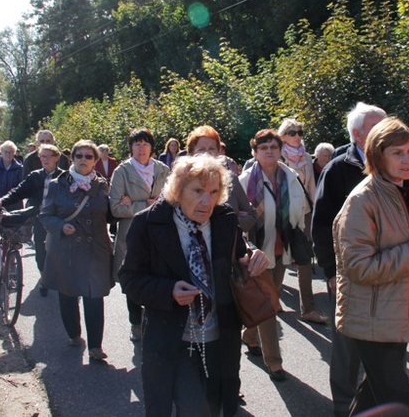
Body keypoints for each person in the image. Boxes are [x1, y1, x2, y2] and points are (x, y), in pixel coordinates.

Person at [119, 155, 268, 416]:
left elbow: (241, 250)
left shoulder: (224, 218)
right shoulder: (147, 223)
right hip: (172, 339)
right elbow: (130, 278)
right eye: (198, 191)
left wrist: (254, 255)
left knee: (215, 405)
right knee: (192, 407)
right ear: (178, 190)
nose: (207, 201)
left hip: (218, 337)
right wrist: (168, 291)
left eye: (213, 192)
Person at [334, 116, 409, 416]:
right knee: (399, 405)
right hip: (372, 319)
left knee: (374, 398)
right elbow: (359, 267)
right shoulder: (362, 200)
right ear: (377, 154)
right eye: (397, 153)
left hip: (397, 313)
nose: (407, 159)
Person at [312, 101, 386, 417]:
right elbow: (321, 224)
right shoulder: (339, 167)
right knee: (348, 347)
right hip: (348, 273)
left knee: (384, 344)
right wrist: (330, 271)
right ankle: (344, 408)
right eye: (377, 126)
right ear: (357, 133)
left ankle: (372, 405)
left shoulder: (395, 162)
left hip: (388, 269)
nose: (385, 131)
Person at [238, 129, 309, 382]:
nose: (269, 151)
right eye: (263, 147)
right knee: (269, 305)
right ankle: (275, 363)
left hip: (282, 249)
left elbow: (302, 208)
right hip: (256, 252)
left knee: (270, 297)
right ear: (255, 152)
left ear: (280, 151)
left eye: (273, 147)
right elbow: (236, 217)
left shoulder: (291, 176)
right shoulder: (245, 181)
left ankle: (248, 336)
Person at [39, 140, 113, 361]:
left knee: (94, 296)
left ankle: (95, 347)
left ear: (95, 161)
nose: (83, 160)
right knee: (68, 294)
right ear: (72, 159)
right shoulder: (56, 184)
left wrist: (124, 205)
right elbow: (45, 215)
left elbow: (110, 215)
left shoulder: (103, 185)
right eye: (79, 156)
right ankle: (73, 334)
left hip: (96, 250)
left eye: (88, 156)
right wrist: (61, 226)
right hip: (67, 249)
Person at [109, 129, 170, 342]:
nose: (141, 148)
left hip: (160, 234)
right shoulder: (122, 171)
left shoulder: (163, 169)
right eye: (136, 144)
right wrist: (146, 205)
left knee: (159, 277)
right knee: (133, 278)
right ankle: (136, 322)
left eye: (145, 144)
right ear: (131, 148)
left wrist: (133, 203)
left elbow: (172, 200)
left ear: (152, 147)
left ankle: (155, 321)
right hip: (131, 235)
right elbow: (116, 208)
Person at [0, 144, 65, 296]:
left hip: (60, 221)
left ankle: (62, 281)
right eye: (42, 156)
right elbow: (18, 191)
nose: (44, 159)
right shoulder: (35, 176)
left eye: (48, 156)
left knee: (61, 252)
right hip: (40, 219)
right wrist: (1, 201)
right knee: (40, 253)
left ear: (56, 157)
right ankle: (44, 279)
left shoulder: (65, 177)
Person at [277, 118, 328, 325]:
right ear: (282, 136)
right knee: (279, 256)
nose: (297, 136)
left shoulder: (307, 157)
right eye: (292, 132)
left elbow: (313, 189)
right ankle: (272, 298)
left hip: (305, 212)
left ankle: (307, 309)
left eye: (300, 132)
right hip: (282, 213)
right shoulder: (276, 156)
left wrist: (317, 211)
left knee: (304, 258)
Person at [185, 125, 256, 233]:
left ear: (219, 152)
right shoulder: (182, 182)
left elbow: (250, 216)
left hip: (227, 245)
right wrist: (228, 219)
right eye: (201, 149)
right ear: (191, 153)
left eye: (212, 149)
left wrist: (232, 222)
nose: (207, 153)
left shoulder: (230, 179)